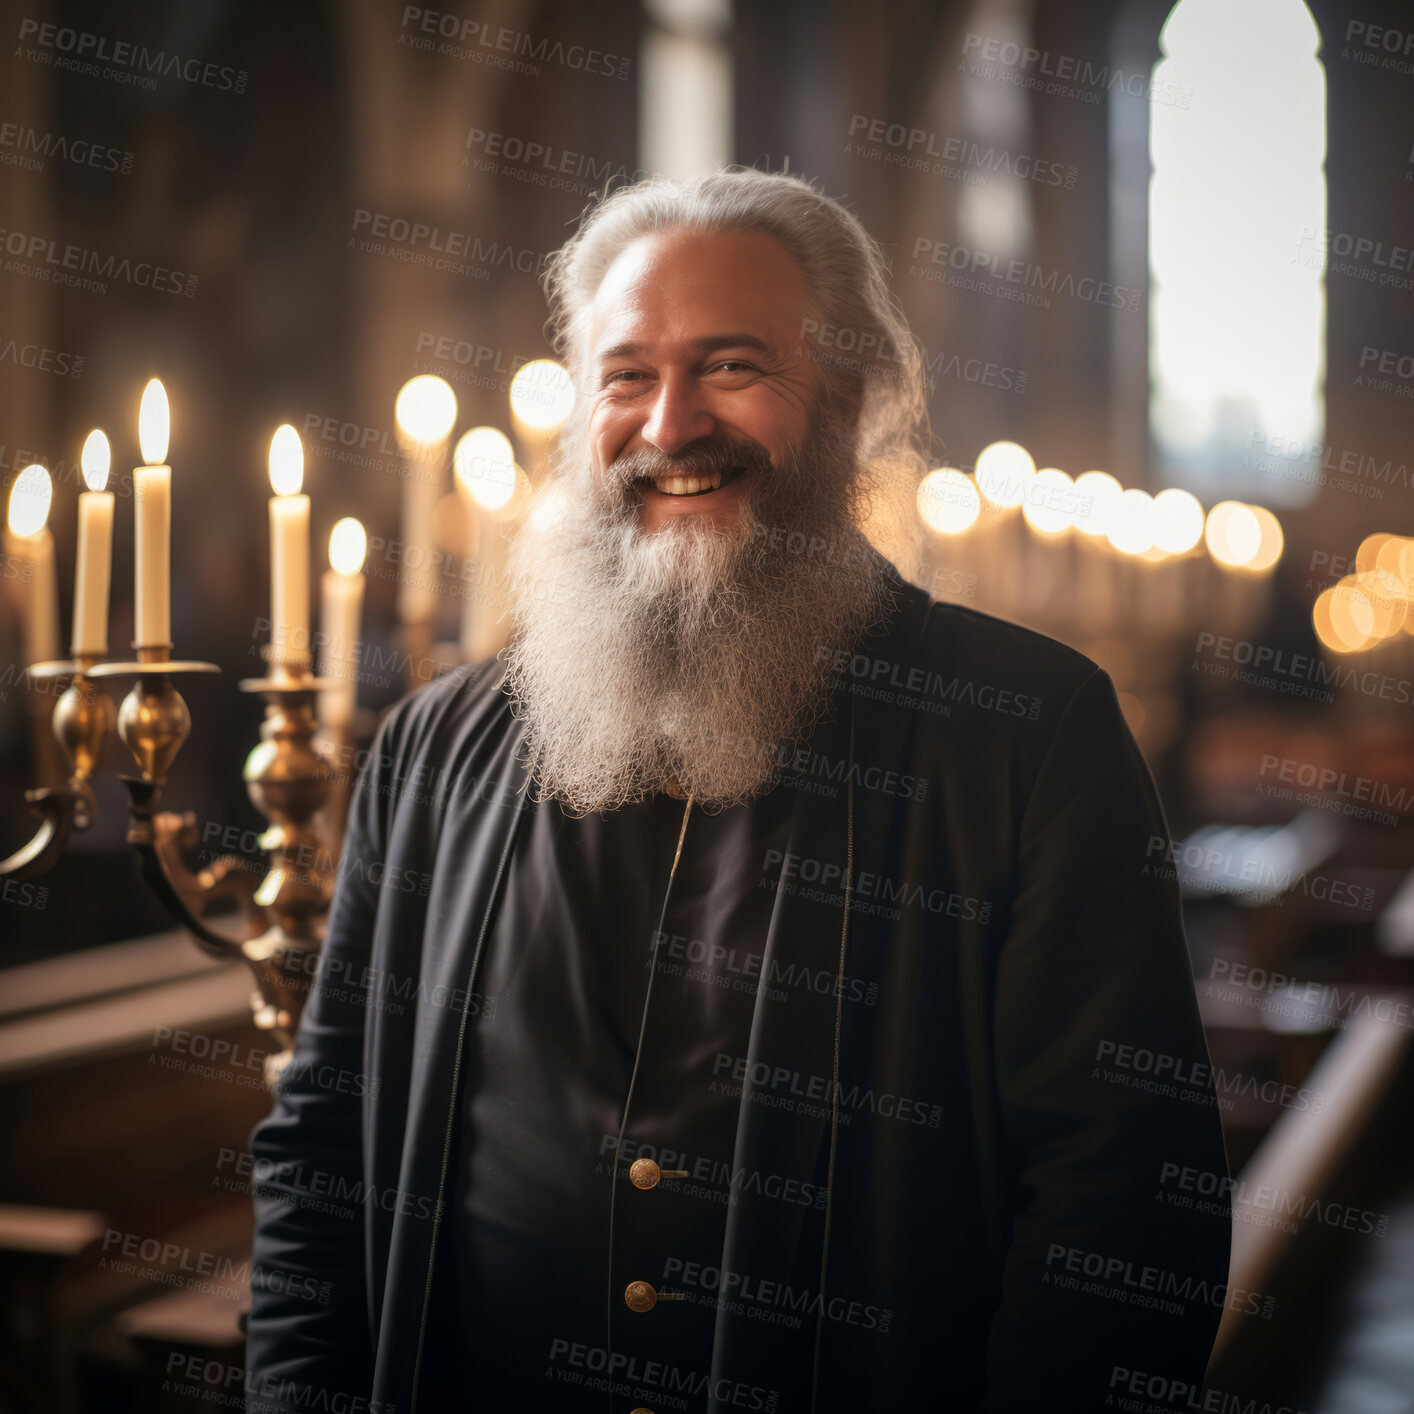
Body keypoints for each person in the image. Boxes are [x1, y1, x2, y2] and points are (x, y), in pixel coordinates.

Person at [244, 167, 1232, 1414]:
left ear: (849, 397)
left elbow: (1124, 1219)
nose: (668, 427)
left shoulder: (1030, 732)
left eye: (729, 366)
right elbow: (320, 1153)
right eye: (626, 376)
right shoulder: (437, 748)